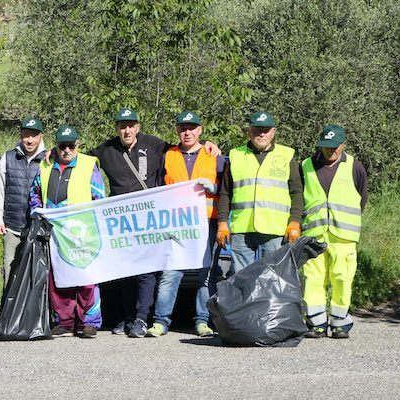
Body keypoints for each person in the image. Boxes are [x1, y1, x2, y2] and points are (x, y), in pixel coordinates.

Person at [88, 108, 221, 338]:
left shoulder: (160, 146)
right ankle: (140, 319)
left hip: (187, 220)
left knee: (181, 272)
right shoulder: (112, 149)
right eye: (122, 125)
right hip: (135, 220)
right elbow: (82, 158)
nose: (127, 130)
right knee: (134, 271)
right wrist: (53, 152)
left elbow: (222, 182)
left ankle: (168, 319)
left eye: (131, 125)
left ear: (138, 127)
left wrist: (212, 144)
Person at [146, 111, 225, 338]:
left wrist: (214, 188)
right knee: (171, 273)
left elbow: (227, 190)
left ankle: (202, 321)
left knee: (205, 274)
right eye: (182, 128)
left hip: (206, 223)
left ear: (200, 130)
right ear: (176, 130)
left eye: (192, 128)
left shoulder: (215, 156)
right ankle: (161, 321)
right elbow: (158, 187)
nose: (187, 132)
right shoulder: (167, 155)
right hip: (176, 224)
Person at [29, 125, 105, 338]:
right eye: (62, 146)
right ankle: (64, 321)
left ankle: (88, 321)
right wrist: (36, 210)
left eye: (71, 145)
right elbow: (35, 193)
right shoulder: (45, 167)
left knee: (87, 278)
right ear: (56, 146)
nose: (67, 150)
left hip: (83, 232)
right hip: (55, 233)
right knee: (58, 278)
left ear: (77, 144)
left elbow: (99, 197)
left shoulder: (89, 166)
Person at [300, 125, 367, 339]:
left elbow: (361, 198)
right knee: (313, 278)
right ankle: (317, 323)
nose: (331, 151)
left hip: (344, 235)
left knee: (342, 278)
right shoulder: (306, 165)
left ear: (343, 144)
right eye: (326, 147)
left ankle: (340, 323)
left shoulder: (355, 166)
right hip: (314, 233)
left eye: (335, 147)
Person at [217, 111, 303, 275]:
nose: (261, 134)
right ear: (249, 131)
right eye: (257, 130)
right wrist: (222, 223)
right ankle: (245, 303)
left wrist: (295, 221)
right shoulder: (236, 155)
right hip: (242, 229)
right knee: (241, 278)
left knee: (272, 277)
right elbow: (225, 193)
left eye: (266, 130)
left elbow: (297, 192)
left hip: (275, 231)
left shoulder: (286, 156)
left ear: (273, 132)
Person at [0, 117, 46, 289]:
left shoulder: (48, 159)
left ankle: (34, 315)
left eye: (34, 136)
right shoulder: (8, 157)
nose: (29, 140)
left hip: (38, 229)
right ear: (21, 135)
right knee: (9, 271)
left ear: (41, 137)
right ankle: (7, 314)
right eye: (26, 135)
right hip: (12, 226)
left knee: (37, 273)